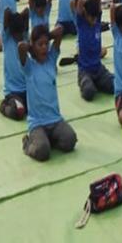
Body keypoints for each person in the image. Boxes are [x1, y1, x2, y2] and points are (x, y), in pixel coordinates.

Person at [19, 25, 78, 161]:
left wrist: (45, 36)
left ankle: (48, 140)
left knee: (71, 140)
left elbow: (60, 30)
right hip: (37, 123)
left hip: (55, 120)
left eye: (47, 44)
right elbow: (21, 47)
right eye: (40, 45)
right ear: (33, 46)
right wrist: (33, 45)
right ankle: (28, 144)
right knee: (42, 152)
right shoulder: (29, 67)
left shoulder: (51, 60)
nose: (45, 47)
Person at [74, 0, 114, 101]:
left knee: (115, 85)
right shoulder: (81, 23)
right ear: (85, 13)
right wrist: (87, 4)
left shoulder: (97, 22)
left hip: (98, 69)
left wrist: (93, 4)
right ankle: (90, 83)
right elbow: (81, 0)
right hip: (85, 71)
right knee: (89, 92)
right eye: (91, 17)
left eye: (95, 17)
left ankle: (98, 83)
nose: (94, 20)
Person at [0, 9, 30, 120]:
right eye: (16, 34)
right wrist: (14, 18)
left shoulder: (25, 37)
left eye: (20, 33)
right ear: (11, 32)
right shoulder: (7, 38)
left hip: (28, 89)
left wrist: (19, 17)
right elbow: (6, 11)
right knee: (19, 112)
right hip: (13, 92)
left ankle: (21, 105)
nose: (18, 37)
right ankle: (4, 106)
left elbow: (27, 11)